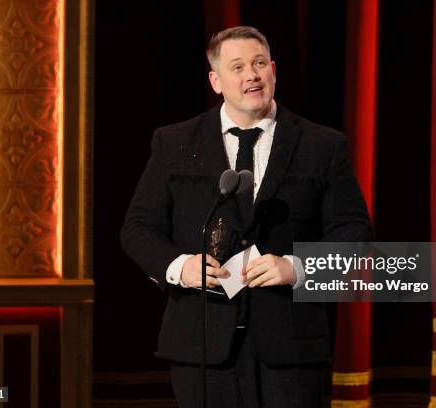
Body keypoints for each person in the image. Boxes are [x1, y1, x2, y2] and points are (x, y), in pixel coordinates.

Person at [121, 26, 372, 407]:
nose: (251, 75)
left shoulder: (322, 145)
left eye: (259, 64)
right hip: (201, 346)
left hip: (289, 347)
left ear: (273, 70)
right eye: (237, 67)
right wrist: (180, 266)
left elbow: (355, 232)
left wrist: (297, 267)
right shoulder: (174, 142)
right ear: (216, 81)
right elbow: (137, 229)